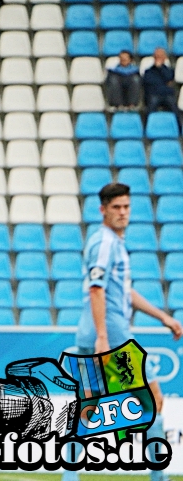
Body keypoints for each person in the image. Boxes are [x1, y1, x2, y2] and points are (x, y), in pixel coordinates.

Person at [62, 183, 183, 481]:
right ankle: (159, 477)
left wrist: (163, 317)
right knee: (151, 400)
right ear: (103, 210)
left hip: (91, 337)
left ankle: (70, 475)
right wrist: (104, 337)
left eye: (126, 207)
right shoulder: (105, 243)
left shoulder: (111, 242)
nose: (123, 212)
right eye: (116, 207)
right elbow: (96, 289)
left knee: (88, 405)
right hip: (111, 338)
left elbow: (124, 292)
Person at [143, 48, 177, 113]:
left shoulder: (169, 70)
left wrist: (160, 68)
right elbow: (148, 81)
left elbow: (169, 77)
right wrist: (164, 83)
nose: (158, 58)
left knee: (174, 108)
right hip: (154, 95)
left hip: (167, 95)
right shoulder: (149, 71)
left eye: (160, 56)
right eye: (157, 56)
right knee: (151, 107)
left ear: (164, 58)